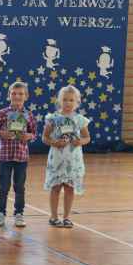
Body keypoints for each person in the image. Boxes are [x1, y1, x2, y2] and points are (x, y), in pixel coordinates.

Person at [43, 86, 91, 228]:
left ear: (77, 102)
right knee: (56, 188)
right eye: (65, 100)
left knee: (70, 188)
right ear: (59, 101)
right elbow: (45, 137)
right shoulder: (53, 118)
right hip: (57, 159)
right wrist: (54, 142)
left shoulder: (80, 120)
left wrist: (80, 141)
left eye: (71, 100)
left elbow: (87, 138)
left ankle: (67, 217)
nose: (68, 103)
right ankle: (53, 216)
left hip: (73, 160)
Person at [0, 81, 37, 228]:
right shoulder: (3, 113)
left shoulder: (29, 115)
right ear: (9, 95)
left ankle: (19, 214)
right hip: (5, 156)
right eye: (14, 93)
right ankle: (0, 213)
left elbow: (34, 133)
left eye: (20, 94)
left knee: (19, 187)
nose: (17, 96)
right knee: (3, 187)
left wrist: (29, 136)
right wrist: (1, 133)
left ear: (26, 96)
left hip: (21, 157)